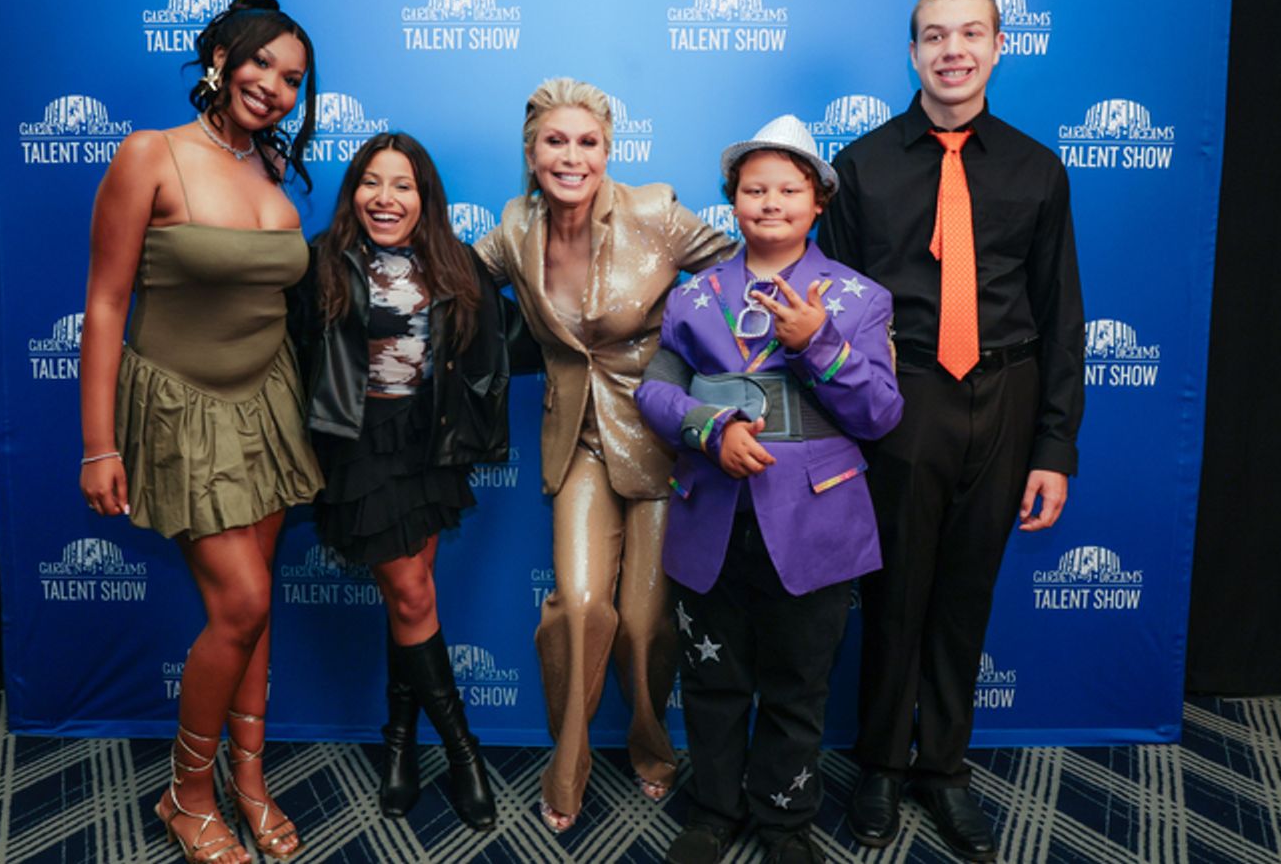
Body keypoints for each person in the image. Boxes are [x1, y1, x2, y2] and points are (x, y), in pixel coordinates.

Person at [821, 0, 1085, 862]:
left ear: (999, 46)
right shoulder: (861, 167)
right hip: (906, 395)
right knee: (895, 596)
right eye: (935, 36)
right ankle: (880, 768)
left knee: (966, 593)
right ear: (913, 52)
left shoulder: (1037, 167)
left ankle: (944, 767)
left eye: (971, 34)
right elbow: (840, 314)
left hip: (1005, 395)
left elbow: (1061, 316)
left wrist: (1053, 445)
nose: (952, 51)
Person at [79, 0, 323, 864]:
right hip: (180, 410)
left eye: (292, 78)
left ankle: (248, 783)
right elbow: (106, 305)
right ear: (219, 57)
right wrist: (99, 443)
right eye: (259, 62)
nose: (274, 85)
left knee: (257, 609)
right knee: (241, 602)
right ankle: (186, 795)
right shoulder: (152, 154)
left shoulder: (270, 173)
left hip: (269, 406)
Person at [474, 77, 737, 832]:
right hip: (577, 438)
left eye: (587, 142)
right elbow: (454, 278)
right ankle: (570, 761)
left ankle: (652, 745)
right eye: (555, 141)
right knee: (582, 607)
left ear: (608, 150)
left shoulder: (654, 211)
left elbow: (741, 267)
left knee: (648, 619)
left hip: (662, 434)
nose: (571, 156)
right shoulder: (515, 226)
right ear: (530, 152)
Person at [638, 115, 902, 864]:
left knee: (796, 686)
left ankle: (786, 820)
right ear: (732, 201)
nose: (772, 201)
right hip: (712, 518)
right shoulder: (692, 299)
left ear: (818, 202)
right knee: (713, 679)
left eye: (790, 188)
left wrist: (818, 342)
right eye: (755, 188)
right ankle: (715, 811)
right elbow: (655, 393)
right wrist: (707, 428)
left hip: (815, 527)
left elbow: (881, 414)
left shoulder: (858, 299)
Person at [291, 132, 523, 831]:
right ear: (352, 192)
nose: (385, 198)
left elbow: (503, 346)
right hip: (361, 450)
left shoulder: (454, 264)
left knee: (407, 603)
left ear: (425, 199)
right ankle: (465, 756)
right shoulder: (319, 264)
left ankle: (398, 750)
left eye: (402, 185)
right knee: (413, 592)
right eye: (371, 182)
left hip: (430, 446)